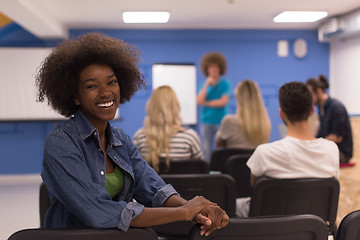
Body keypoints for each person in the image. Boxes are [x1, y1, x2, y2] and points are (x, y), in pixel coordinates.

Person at [36, 32, 229, 235]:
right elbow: (98, 212)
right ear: (75, 96)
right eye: (92, 86)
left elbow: (154, 189)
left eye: (111, 82)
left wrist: (195, 210)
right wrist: (183, 212)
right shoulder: (60, 142)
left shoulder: (120, 139)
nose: (105, 92)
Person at [236, 81, 340, 217]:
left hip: (270, 228)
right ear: (312, 111)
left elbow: (255, 190)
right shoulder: (331, 150)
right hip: (313, 229)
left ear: (281, 113)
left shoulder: (265, 153)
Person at [133, 85, 205, 173]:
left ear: (151, 107)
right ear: (176, 107)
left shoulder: (140, 137)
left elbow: (135, 172)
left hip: (152, 187)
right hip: (183, 187)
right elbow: (202, 172)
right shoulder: (189, 138)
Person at [306, 75, 353, 164]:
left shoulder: (336, 107)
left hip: (341, 153)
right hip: (328, 150)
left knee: (310, 159)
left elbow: (337, 137)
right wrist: (309, 143)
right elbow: (321, 134)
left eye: (310, 94)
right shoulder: (321, 108)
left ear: (318, 91)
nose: (309, 98)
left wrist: (316, 145)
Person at [215, 79, 271, 149]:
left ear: (238, 98)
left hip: (233, 159)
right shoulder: (265, 123)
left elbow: (219, 143)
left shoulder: (229, 121)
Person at [196, 52, 231, 162]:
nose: (213, 70)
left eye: (216, 67)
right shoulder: (203, 84)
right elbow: (198, 100)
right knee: (206, 148)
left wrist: (206, 103)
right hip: (206, 121)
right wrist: (207, 85)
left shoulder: (225, 83)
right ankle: (208, 170)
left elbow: (223, 102)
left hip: (221, 121)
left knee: (221, 148)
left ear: (220, 68)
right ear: (207, 69)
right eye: (211, 67)